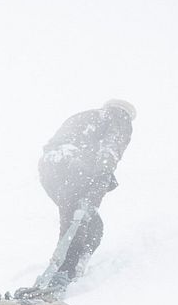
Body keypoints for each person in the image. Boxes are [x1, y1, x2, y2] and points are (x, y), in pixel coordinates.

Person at [30, 99, 135, 294]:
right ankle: (62, 273)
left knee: (90, 224)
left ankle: (72, 265)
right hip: (75, 164)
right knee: (80, 217)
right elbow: (110, 150)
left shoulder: (88, 116)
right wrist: (100, 181)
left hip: (50, 167)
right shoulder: (119, 117)